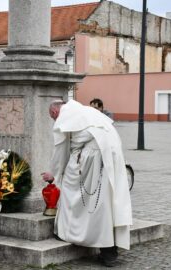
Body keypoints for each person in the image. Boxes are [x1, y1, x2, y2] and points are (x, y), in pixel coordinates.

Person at [42, 100, 132, 267]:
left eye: (52, 117)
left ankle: (70, 233)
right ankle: (109, 252)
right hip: (112, 157)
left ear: (55, 112)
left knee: (71, 191)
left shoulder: (65, 116)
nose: (54, 121)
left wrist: (53, 174)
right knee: (106, 204)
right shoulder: (85, 111)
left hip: (93, 158)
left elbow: (61, 149)